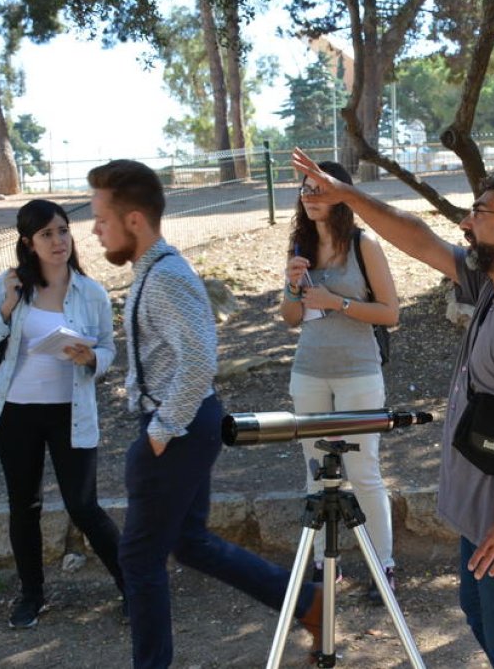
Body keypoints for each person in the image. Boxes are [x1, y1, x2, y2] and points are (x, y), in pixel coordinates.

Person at [292, 148, 494, 669]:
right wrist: (347, 195)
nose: (466, 223)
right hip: (479, 508)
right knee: (477, 611)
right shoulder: (492, 285)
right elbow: (419, 240)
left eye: (480, 213)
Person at [87, 159, 322, 668]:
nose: (94, 230)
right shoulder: (155, 271)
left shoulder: (167, 275)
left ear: (133, 220)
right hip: (185, 424)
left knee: (138, 557)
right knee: (189, 543)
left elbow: (198, 359)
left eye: (101, 219)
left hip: (179, 427)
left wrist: (161, 430)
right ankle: (308, 603)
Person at [0, 199, 124, 629]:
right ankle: (32, 596)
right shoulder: (11, 286)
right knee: (24, 506)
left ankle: (134, 587)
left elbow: (109, 348)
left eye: (63, 230)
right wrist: (5, 309)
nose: (58, 241)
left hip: (70, 412)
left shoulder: (90, 292)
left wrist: (91, 357)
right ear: (27, 242)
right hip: (15, 414)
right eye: (46, 234)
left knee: (83, 505)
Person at [280, 161, 400, 603]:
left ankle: (383, 566)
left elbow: (391, 313)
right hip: (308, 371)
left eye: (320, 190)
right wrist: (294, 288)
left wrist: (338, 302)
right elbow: (291, 318)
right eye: (305, 189)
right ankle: (322, 567)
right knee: (316, 475)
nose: (310, 197)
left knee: (364, 472)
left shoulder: (362, 244)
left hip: (358, 372)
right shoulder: (299, 244)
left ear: (341, 195)